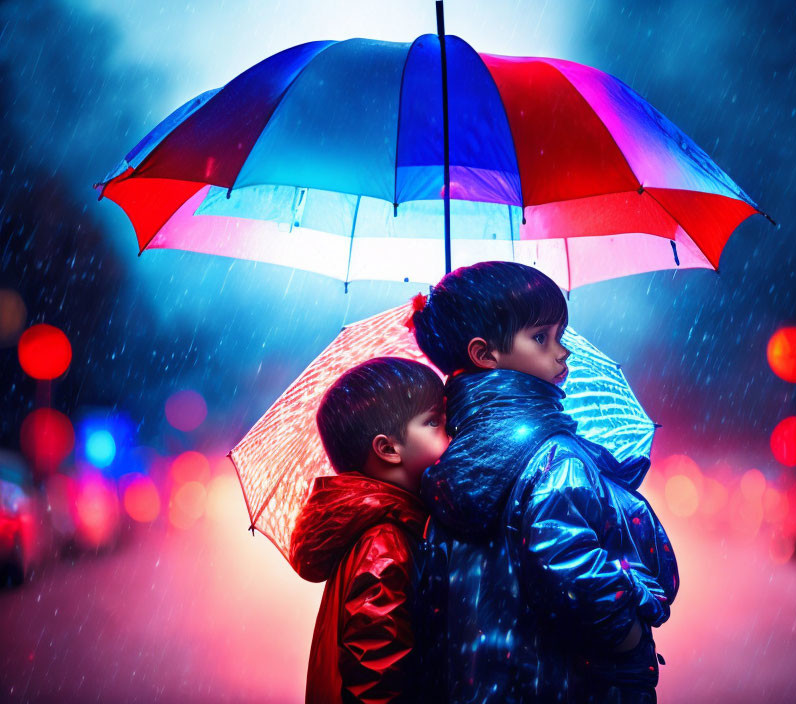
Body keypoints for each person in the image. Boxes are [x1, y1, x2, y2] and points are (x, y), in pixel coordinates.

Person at [411, 261, 679, 704]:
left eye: (560, 334)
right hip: (565, 683)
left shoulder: (453, 457)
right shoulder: (554, 458)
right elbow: (573, 570)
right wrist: (629, 641)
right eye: (541, 337)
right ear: (483, 354)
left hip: (482, 683)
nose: (562, 352)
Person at [289, 357, 450, 704]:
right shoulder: (384, 542)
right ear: (388, 449)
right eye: (434, 421)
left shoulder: (385, 524)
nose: (451, 431)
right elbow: (376, 676)